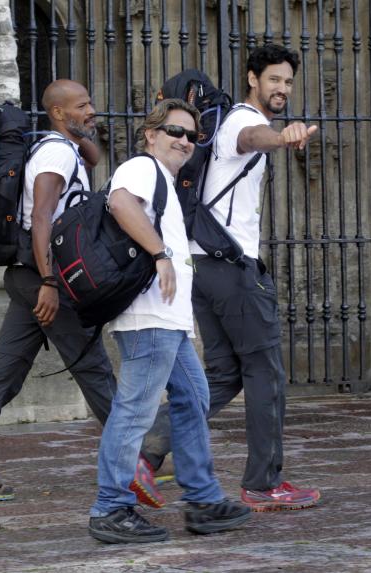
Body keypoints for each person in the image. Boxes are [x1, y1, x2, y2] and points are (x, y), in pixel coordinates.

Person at [137, 44, 322, 512]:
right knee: (267, 375)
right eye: (274, 80)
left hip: (202, 267)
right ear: (252, 78)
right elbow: (252, 137)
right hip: (233, 270)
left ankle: (145, 453)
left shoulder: (228, 120)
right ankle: (263, 482)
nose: (282, 89)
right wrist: (283, 137)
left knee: (223, 376)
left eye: (288, 82)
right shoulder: (240, 120)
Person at [0, 80, 118, 502]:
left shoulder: (64, 147)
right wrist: (51, 283)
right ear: (58, 113)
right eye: (82, 105)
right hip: (43, 279)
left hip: (26, 277)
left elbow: (92, 156)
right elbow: (41, 218)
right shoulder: (56, 152)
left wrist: (84, 129)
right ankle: (145, 457)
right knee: (94, 370)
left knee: (2, 377)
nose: (92, 109)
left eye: (91, 101)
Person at [87, 99, 251, 544]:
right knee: (135, 409)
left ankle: (202, 499)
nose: (184, 140)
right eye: (174, 131)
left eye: (192, 136)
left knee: (194, 398)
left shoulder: (164, 180)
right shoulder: (142, 168)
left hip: (168, 320)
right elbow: (121, 203)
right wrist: (160, 254)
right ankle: (110, 507)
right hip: (149, 316)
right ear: (151, 135)